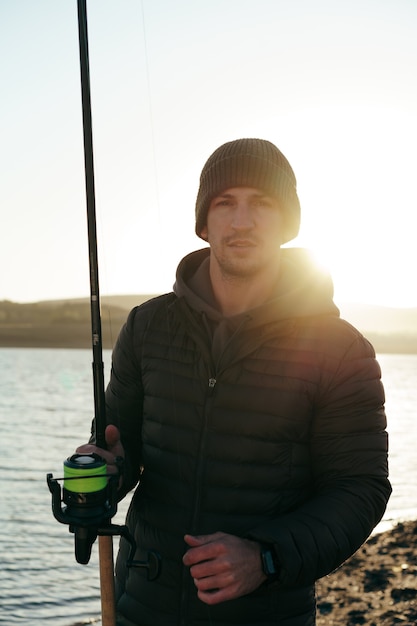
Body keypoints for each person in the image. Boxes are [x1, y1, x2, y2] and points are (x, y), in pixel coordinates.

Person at [77, 138, 391, 626]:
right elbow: (124, 446)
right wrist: (102, 476)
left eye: (262, 204)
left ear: (287, 222)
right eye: (225, 203)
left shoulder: (341, 350)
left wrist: (265, 557)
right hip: (141, 605)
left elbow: (359, 489)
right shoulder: (146, 326)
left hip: (266, 613)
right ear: (204, 222)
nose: (242, 221)